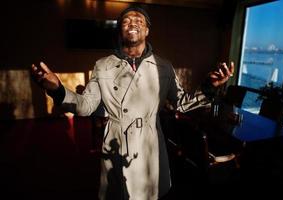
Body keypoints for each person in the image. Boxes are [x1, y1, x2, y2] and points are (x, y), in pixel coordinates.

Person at [31, 5, 234, 200]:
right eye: (126, 21)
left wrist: (209, 85)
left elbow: (182, 103)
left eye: (139, 20)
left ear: (146, 30)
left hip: (150, 144)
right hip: (117, 143)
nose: (132, 23)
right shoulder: (103, 66)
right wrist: (57, 89)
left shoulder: (163, 66)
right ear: (120, 30)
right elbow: (85, 107)